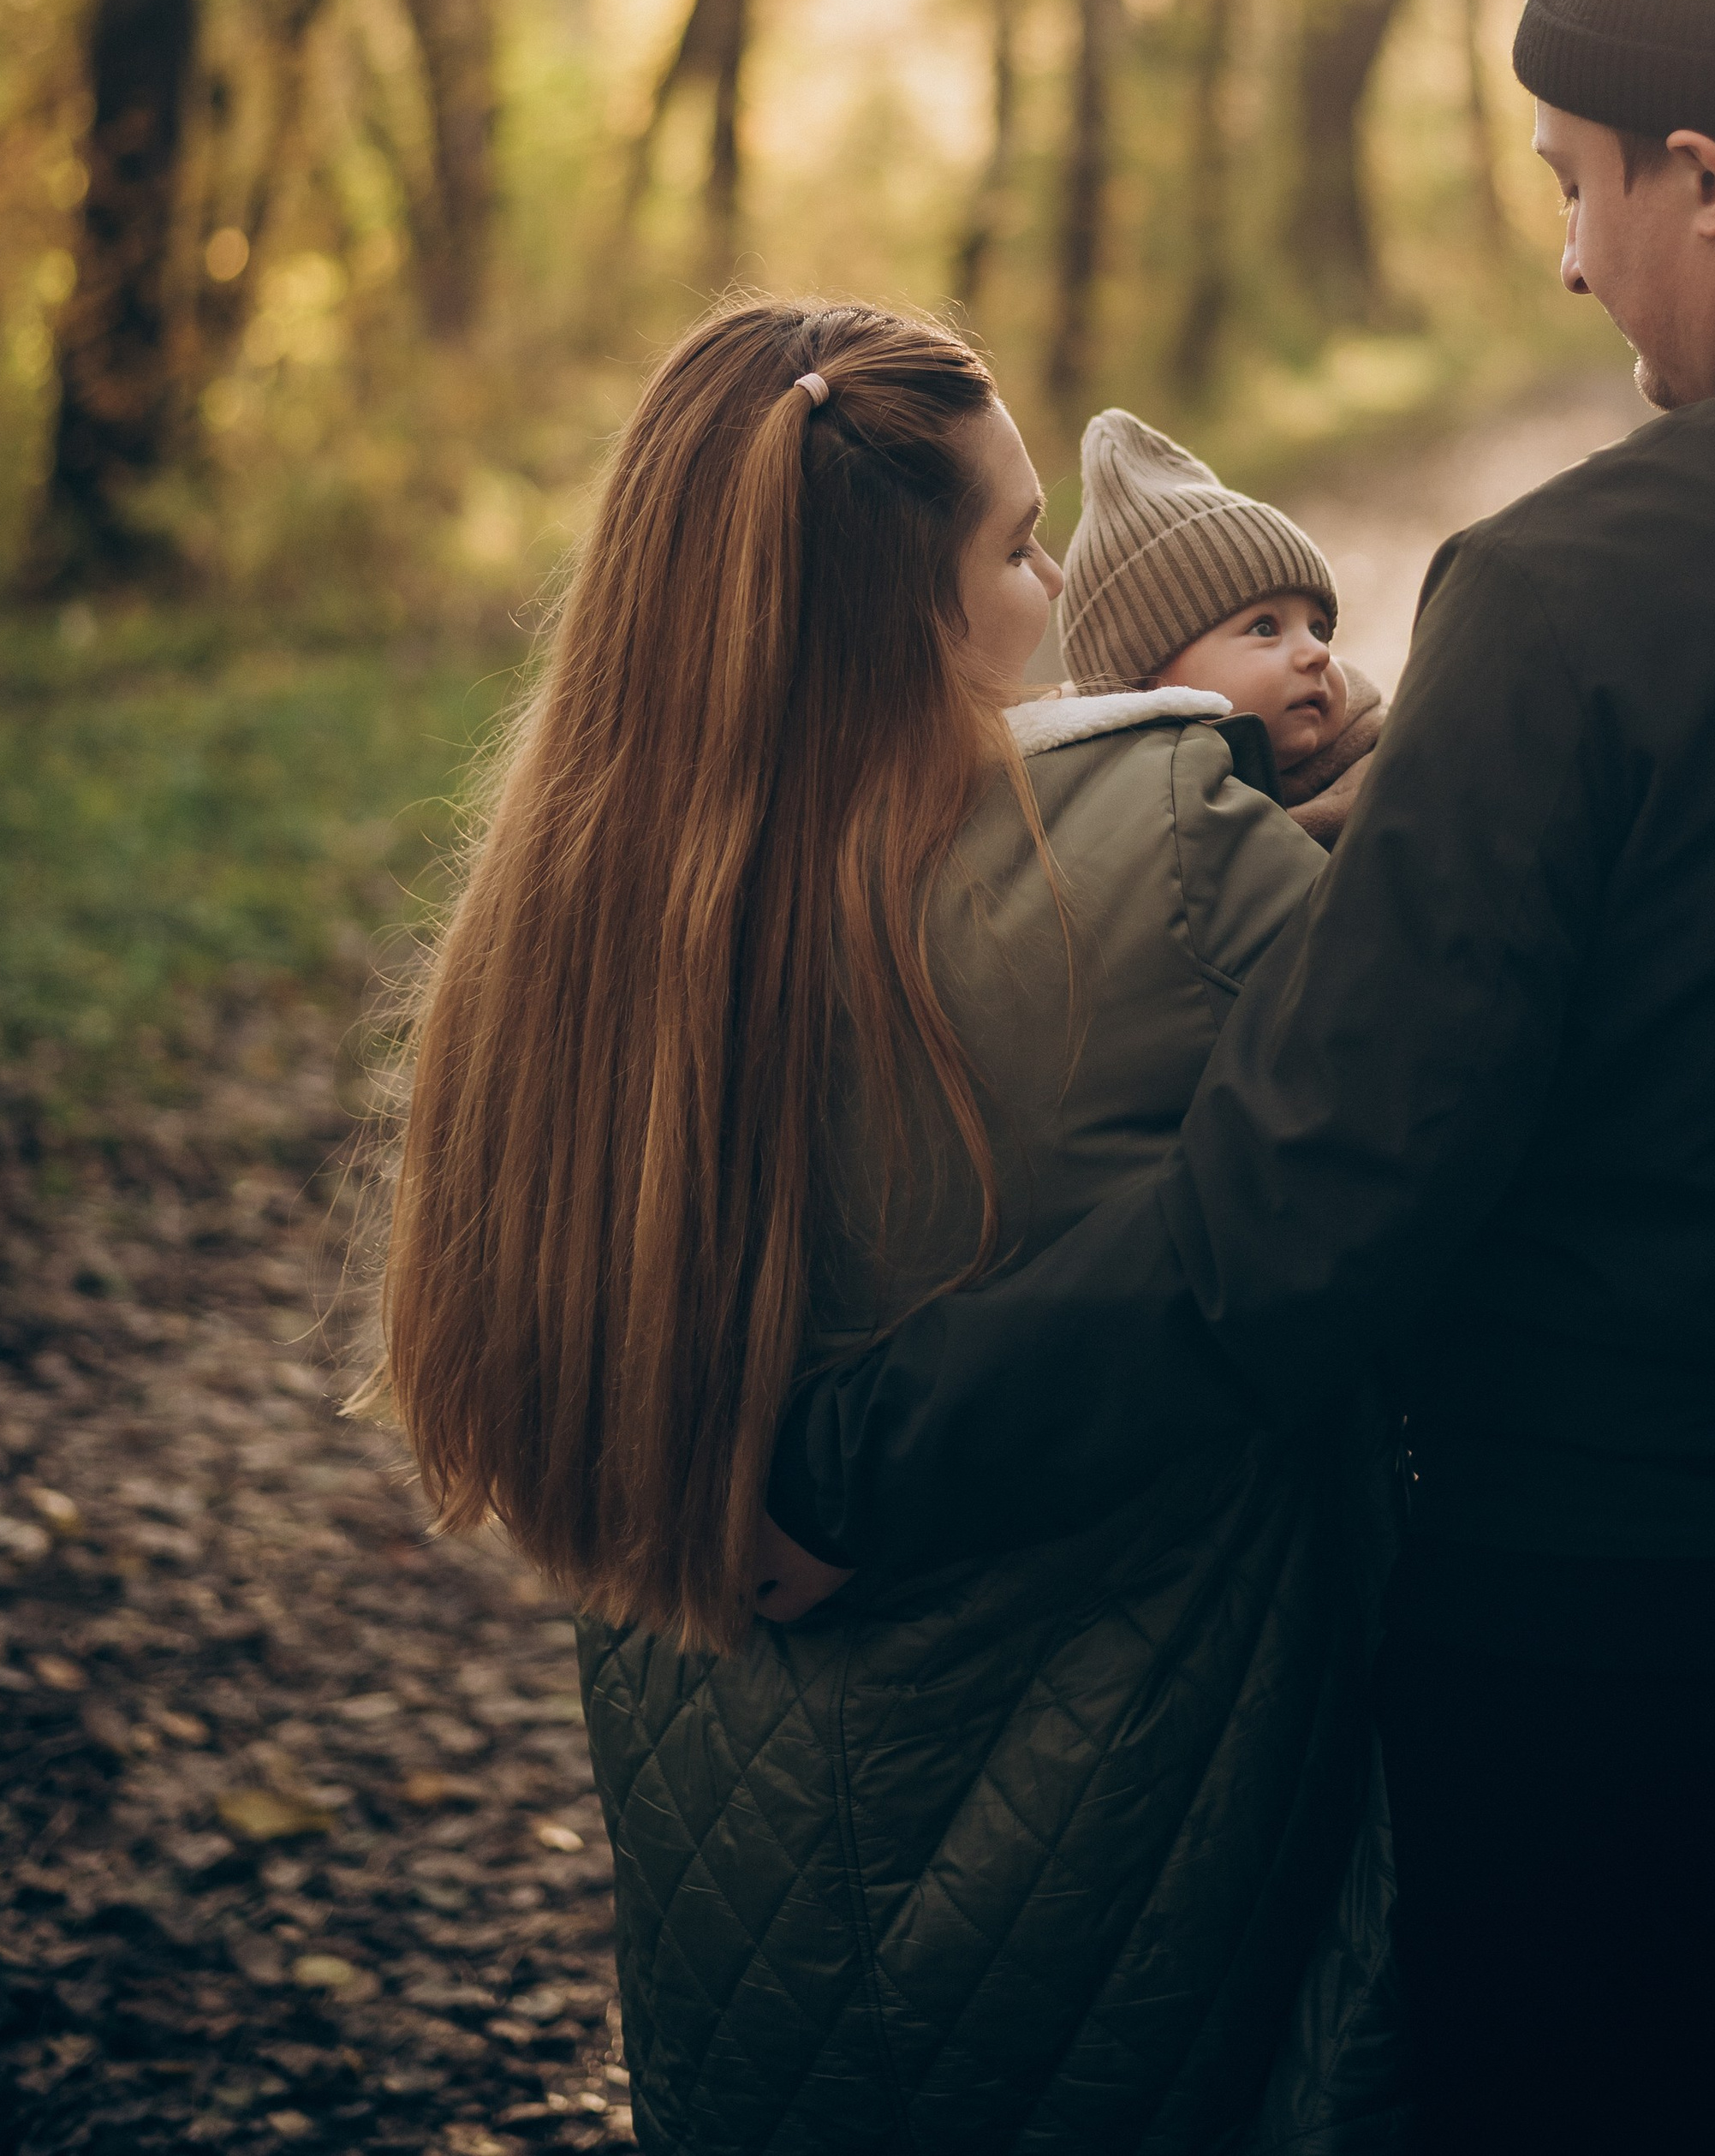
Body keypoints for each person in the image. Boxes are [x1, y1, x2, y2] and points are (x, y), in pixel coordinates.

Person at [767, 0, 1715, 2154]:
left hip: (1644, 1715)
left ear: (1707, 181)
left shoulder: (1576, 598)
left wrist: (855, 1461)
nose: (1573, 256)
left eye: (1581, 190)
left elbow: (1310, 1204)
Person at [369, 299, 1408, 2156]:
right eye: (1016, 548)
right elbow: (1456, 1061)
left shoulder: (555, 938)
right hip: (1115, 1910)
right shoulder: (1139, 845)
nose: (1061, 583)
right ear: (891, 615)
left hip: (737, 1938)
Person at [1059, 406, 1387, 844]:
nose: (1319, 653)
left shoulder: (1384, 765)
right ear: (1147, 691)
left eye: (1319, 628)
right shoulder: (1125, 836)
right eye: (1265, 629)